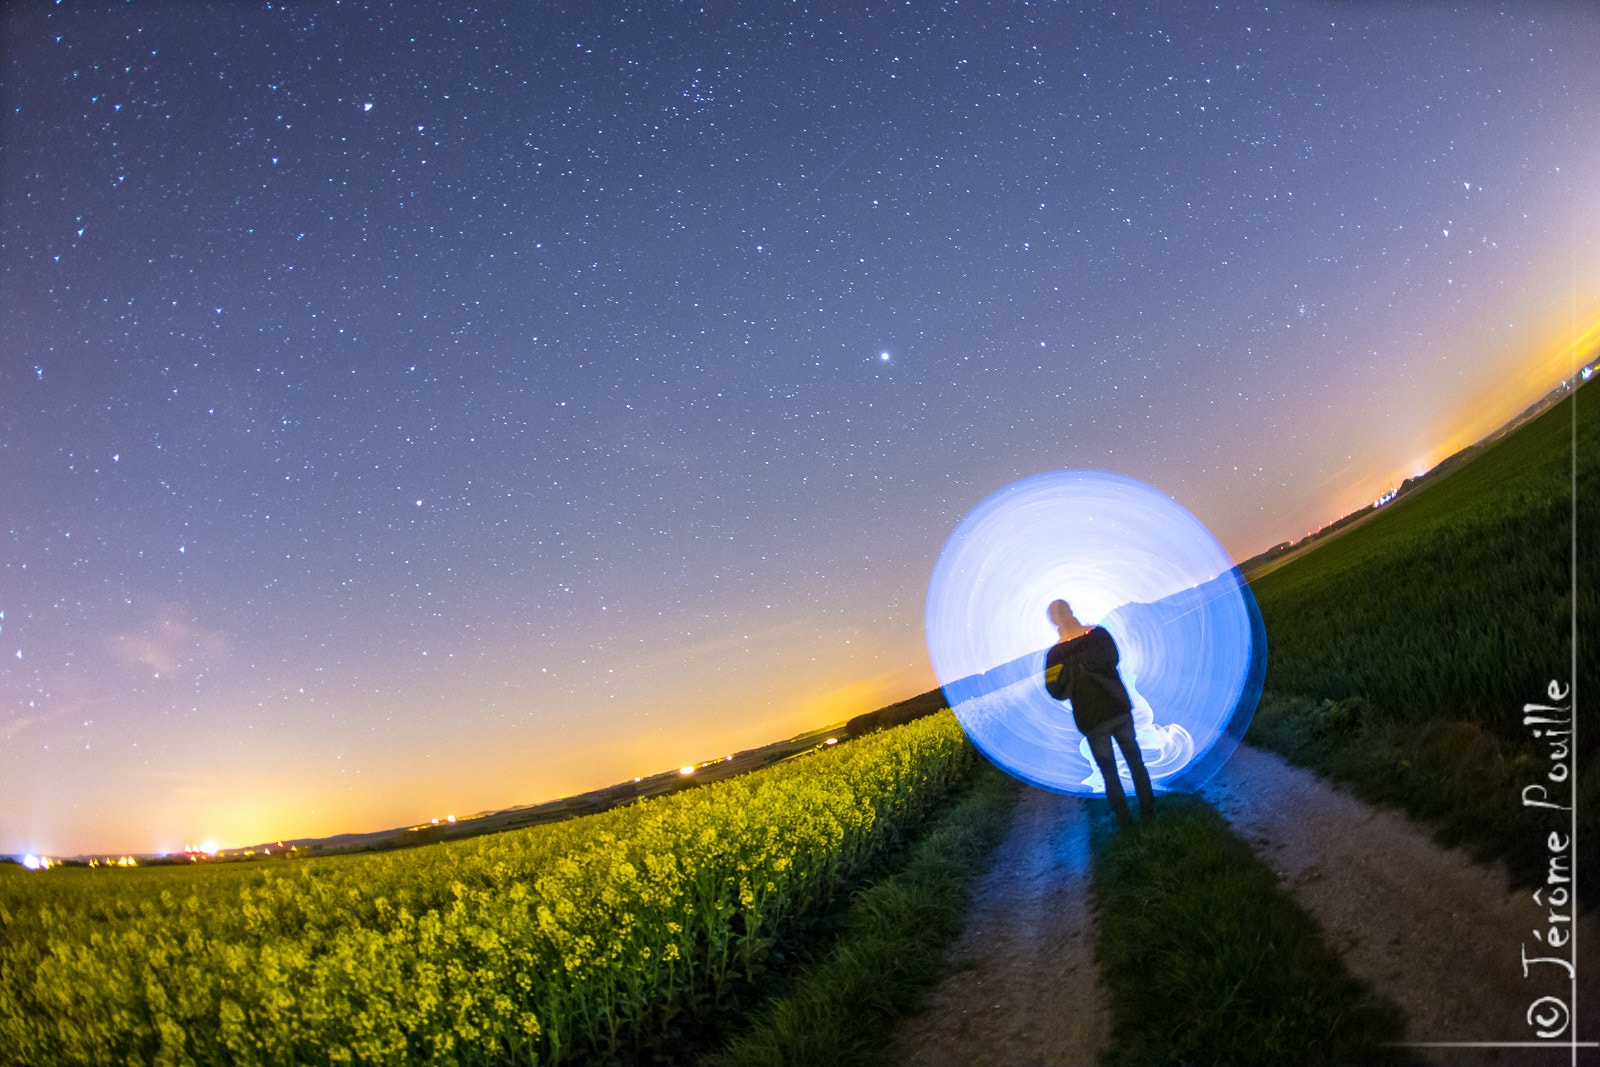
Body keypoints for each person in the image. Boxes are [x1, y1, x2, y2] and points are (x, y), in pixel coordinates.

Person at [1044, 599, 1155, 830]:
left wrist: (1072, 672)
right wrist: (1087, 665)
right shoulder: (1099, 636)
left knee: (1109, 774)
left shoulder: (1055, 656)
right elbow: (1112, 659)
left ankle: (1125, 823)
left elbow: (1055, 689)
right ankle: (1149, 815)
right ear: (1070, 610)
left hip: (1091, 720)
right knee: (1136, 763)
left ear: (1054, 621)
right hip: (1118, 708)